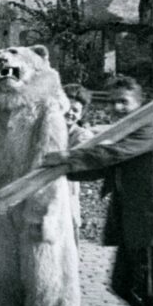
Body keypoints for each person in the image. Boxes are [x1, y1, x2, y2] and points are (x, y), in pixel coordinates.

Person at [43, 75, 153, 306]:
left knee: (150, 291)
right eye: (113, 102)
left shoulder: (147, 129)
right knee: (122, 284)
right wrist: (61, 171)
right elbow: (105, 166)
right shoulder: (127, 132)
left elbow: (110, 154)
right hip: (133, 222)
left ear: (139, 103)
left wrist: (67, 157)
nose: (117, 107)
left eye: (124, 102)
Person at [63, 83, 94, 247]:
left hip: (67, 196)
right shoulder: (45, 130)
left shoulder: (82, 136)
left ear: (81, 115)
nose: (70, 113)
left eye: (75, 110)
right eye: (66, 108)